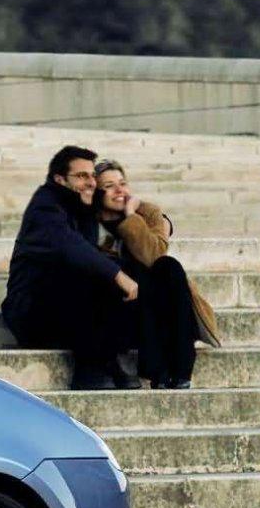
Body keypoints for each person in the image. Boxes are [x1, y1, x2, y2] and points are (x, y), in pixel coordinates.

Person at [2, 146, 141, 390]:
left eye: (92, 176)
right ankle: (91, 370)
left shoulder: (82, 204)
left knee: (134, 272)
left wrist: (143, 215)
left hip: (64, 310)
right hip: (31, 313)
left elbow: (131, 207)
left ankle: (113, 361)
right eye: (81, 176)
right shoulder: (45, 206)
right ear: (60, 179)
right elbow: (69, 247)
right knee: (91, 272)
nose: (91, 182)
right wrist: (118, 276)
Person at [93, 159, 221, 389]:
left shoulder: (147, 213)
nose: (119, 190)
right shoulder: (88, 223)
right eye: (109, 186)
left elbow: (153, 255)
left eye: (122, 183)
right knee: (135, 272)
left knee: (168, 267)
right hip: (119, 312)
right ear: (95, 192)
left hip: (156, 309)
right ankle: (157, 372)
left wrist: (131, 216)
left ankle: (181, 373)